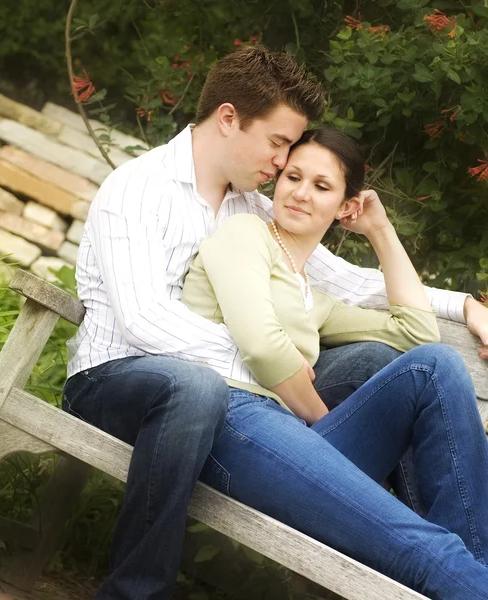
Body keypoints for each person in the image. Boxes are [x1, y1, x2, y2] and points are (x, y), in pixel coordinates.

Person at [62, 45, 488, 600]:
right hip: (120, 378)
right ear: (229, 118)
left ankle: (475, 566)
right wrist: (276, 368)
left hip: (246, 404)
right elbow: (145, 321)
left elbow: (350, 284)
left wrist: (465, 306)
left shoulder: (253, 207)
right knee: (196, 388)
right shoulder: (138, 189)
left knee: (412, 365)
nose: (283, 164)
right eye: (280, 144)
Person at [181, 128, 488, 599]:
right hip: (228, 429)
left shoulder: (313, 301)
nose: (300, 193)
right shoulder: (244, 234)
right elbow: (263, 347)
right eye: (293, 177)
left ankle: (477, 570)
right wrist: (315, 415)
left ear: (346, 207)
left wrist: (381, 231)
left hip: (286, 443)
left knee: (436, 366)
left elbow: (416, 332)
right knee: (427, 550)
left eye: (322, 187)